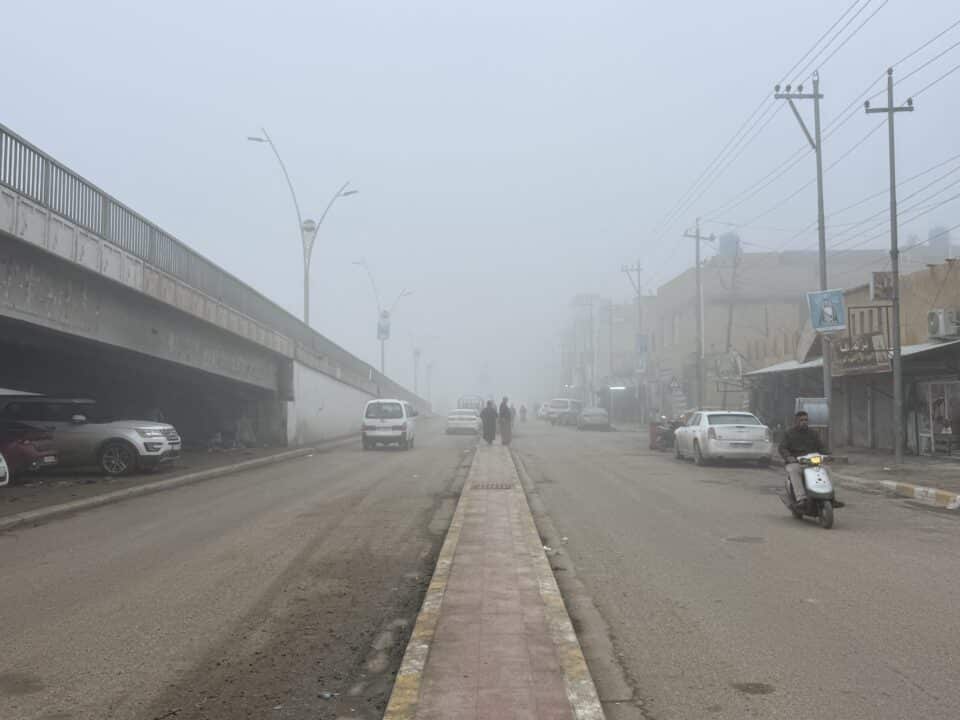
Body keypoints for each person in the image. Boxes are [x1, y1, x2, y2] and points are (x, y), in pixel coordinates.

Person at [779, 410, 827, 506]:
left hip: (812, 462)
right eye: (801, 420)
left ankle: (829, 496)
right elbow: (782, 448)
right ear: (796, 421)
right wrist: (789, 457)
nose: (804, 422)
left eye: (806, 420)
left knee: (827, 470)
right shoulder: (789, 433)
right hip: (796, 462)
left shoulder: (813, 433)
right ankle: (801, 498)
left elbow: (821, 447)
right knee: (794, 471)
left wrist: (828, 454)